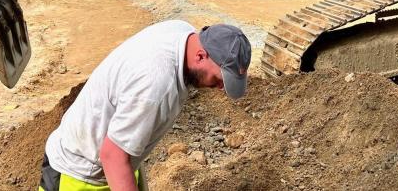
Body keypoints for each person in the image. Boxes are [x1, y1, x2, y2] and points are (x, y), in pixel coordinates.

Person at [39, 21, 251, 191]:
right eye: (219, 78)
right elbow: (112, 157)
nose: (222, 88)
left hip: (114, 159)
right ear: (200, 56)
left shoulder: (182, 31)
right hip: (79, 175)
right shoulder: (156, 86)